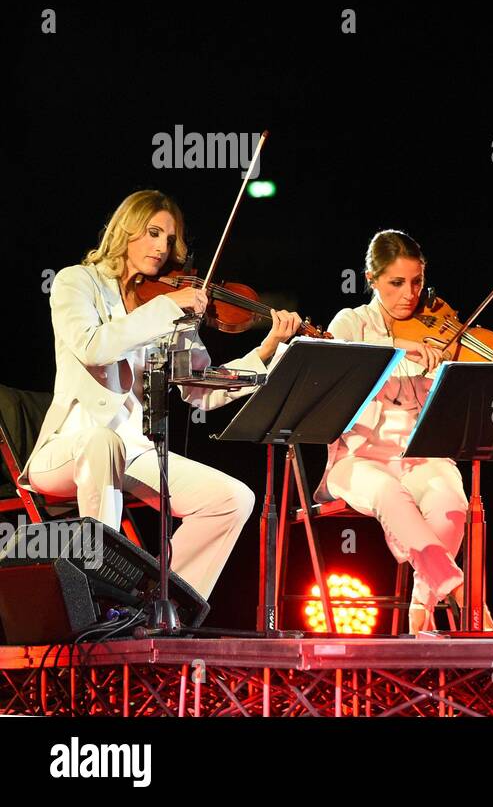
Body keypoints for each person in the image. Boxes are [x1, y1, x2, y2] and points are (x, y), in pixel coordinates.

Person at [23, 190, 302, 602]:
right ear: (126, 230)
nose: (162, 247)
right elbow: (92, 347)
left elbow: (201, 391)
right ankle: (100, 592)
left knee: (232, 499)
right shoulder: (75, 282)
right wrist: (167, 307)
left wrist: (264, 352)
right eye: (153, 233)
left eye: (170, 240)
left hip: (133, 452)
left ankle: (164, 605)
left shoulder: (167, 303)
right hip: (68, 448)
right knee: (104, 441)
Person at [317, 229, 493, 633]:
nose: (410, 294)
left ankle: (420, 607)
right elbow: (335, 371)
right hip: (357, 460)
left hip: (418, 454)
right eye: (396, 283)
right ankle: (461, 593)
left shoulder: (437, 331)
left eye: (417, 282)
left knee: (451, 497)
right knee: (390, 494)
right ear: (371, 280)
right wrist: (401, 353)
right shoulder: (351, 323)